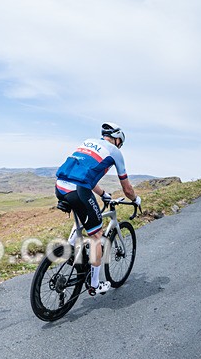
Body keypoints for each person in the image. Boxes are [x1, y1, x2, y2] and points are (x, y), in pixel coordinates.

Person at [54, 122, 141, 296]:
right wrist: (136, 199)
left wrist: (103, 194)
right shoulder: (115, 152)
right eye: (120, 143)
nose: (119, 145)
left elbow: (86, 174)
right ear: (117, 140)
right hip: (77, 190)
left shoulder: (88, 142)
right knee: (96, 235)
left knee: (82, 215)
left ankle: (70, 251)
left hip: (60, 185)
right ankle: (94, 285)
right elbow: (127, 189)